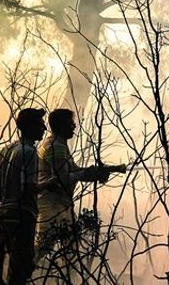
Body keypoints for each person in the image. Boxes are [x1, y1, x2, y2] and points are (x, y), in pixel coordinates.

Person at [36, 108, 120, 255]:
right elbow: (63, 179)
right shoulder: (56, 147)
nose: (74, 126)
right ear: (61, 126)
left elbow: (73, 171)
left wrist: (94, 173)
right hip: (52, 206)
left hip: (59, 205)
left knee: (71, 251)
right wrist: (87, 174)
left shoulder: (57, 144)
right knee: (43, 248)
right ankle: (19, 276)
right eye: (71, 123)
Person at [0, 108, 46, 285]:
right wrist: (49, 183)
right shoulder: (30, 152)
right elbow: (29, 188)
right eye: (39, 125)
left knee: (12, 261)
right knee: (22, 263)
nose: (43, 128)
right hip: (22, 213)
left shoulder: (7, 150)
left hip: (4, 211)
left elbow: (0, 187)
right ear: (30, 127)